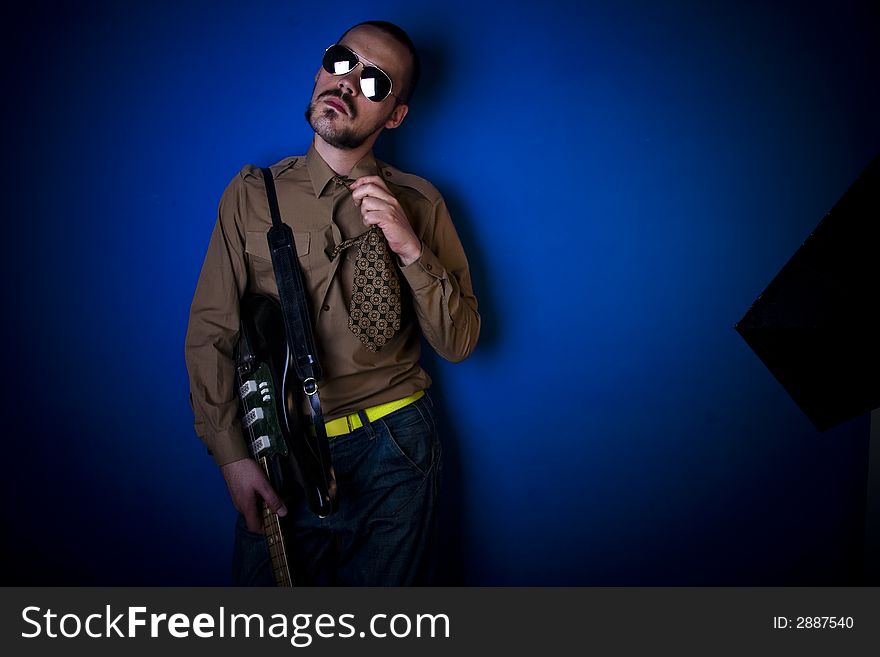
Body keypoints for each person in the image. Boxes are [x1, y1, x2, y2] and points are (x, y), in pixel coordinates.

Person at [184, 20, 479, 585]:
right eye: (343, 61)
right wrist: (234, 457)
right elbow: (210, 333)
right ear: (323, 69)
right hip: (286, 453)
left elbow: (459, 341)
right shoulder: (250, 196)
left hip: (398, 450)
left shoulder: (418, 201)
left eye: (375, 82)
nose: (348, 83)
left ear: (394, 115)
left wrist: (410, 248)